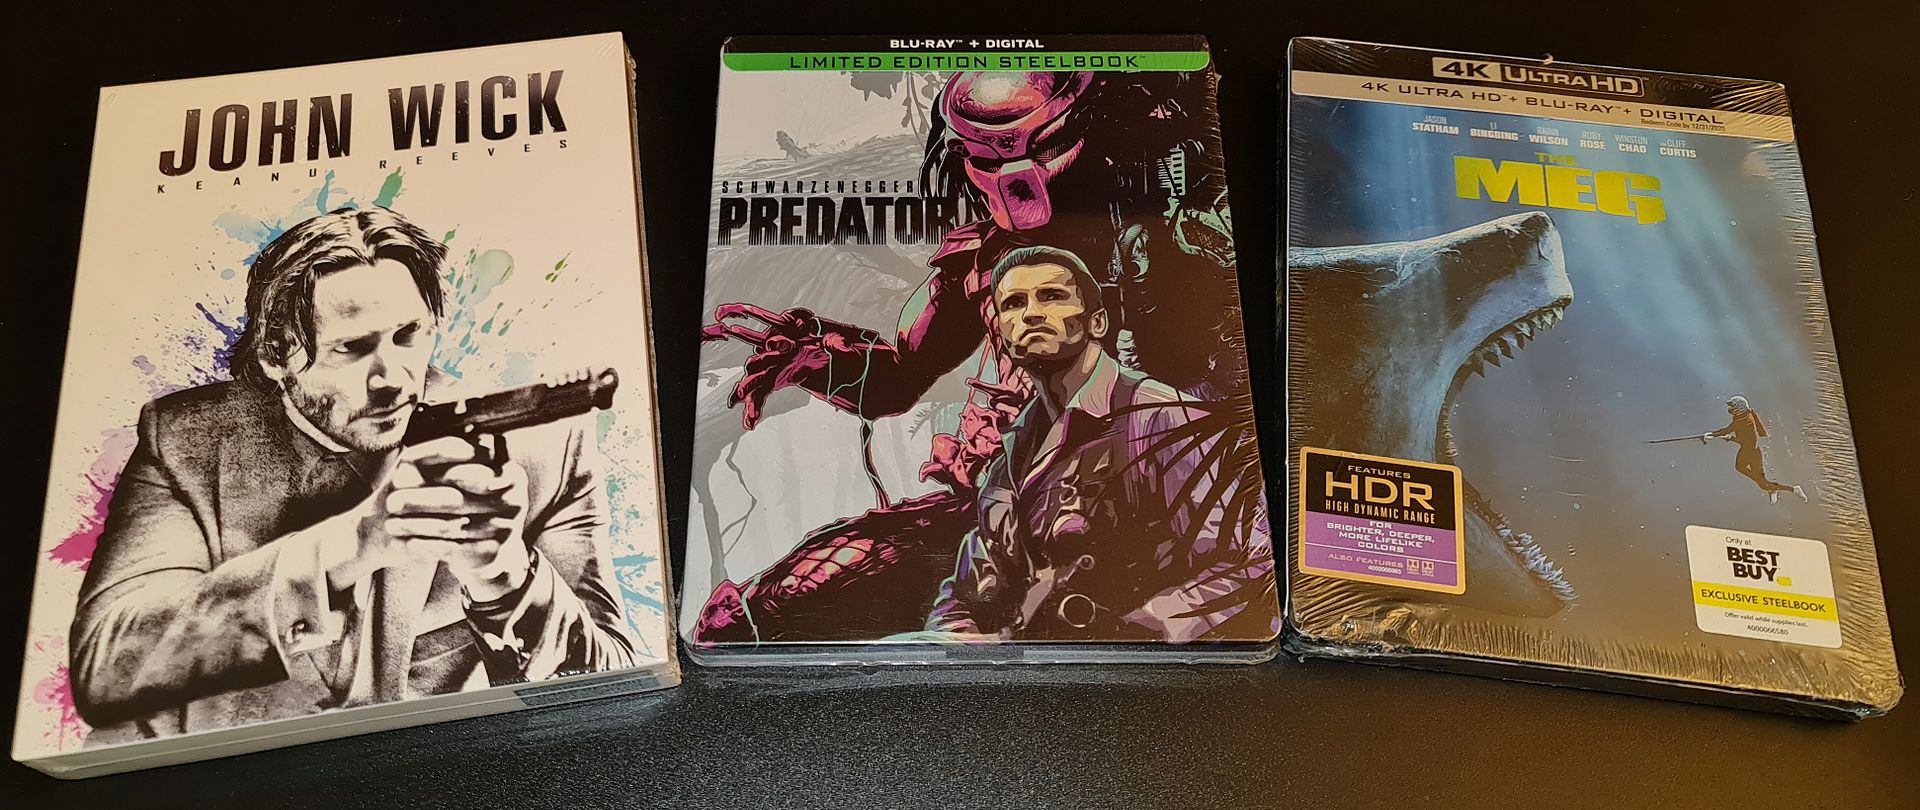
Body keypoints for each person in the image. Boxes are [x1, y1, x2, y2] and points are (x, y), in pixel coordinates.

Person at [71, 207, 635, 741]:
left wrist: (502, 574)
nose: (393, 379)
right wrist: (355, 543)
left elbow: (612, 683)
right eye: (351, 348)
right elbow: (104, 667)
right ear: (276, 354)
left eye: (409, 335)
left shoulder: (547, 448)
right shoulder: (186, 439)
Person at [925, 246, 1274, 642]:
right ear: (1003, 332)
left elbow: (1249, 561)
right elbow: (966, 592)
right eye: (1014, 303)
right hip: (1027, 662)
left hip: (1139, 665)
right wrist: (954, 641)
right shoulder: (1014, 451)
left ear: (1097, 321)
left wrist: (1143, 630)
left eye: (1051, 296)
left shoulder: (1161, 417)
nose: (1031, 314)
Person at [1703, 395, 1808, 504]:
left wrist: (1714, 435)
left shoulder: (1743, 420)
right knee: (1756, 478)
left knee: (1753, 476)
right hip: (1751, 449)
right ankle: (1773, 488)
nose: (1730, 409)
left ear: (1739, 408)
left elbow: (1728, 430)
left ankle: (1792, 489)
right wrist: (1727, 437)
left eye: (1733, 406)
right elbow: (1743, 437)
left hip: (1750, 451)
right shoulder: (1745, 415)